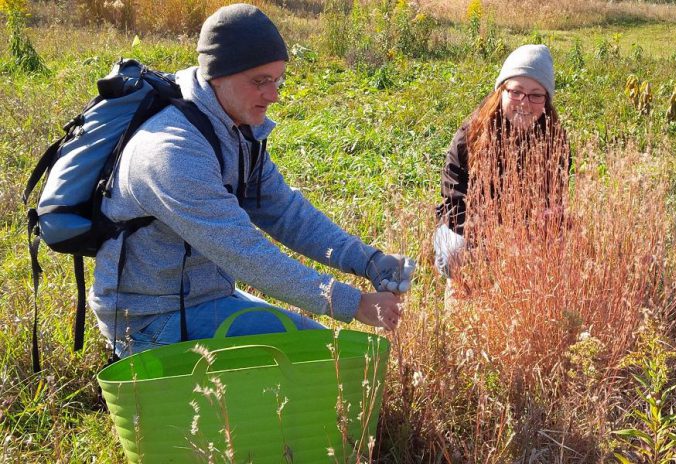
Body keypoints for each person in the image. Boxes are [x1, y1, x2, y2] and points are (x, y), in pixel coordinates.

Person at [89, 4, 415, 358]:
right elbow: (246, 255)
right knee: (316, 352)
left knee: (312, 346)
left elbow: (286, 213)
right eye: (260, 81)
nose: (273, 95)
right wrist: (354, 303)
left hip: (204, 296)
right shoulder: (172, 153)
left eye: (278, 80)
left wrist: (368, 260)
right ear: (217, 75)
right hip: (150, 317)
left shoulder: (236, 129)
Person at [434, 44, 570, 279]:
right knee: (453, 253)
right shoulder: (471, 135)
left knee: (570, 252)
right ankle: (459, 291)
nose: (524, 102)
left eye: (536, 95)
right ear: (501, 91)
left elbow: (553, 200)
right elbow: (454, 201)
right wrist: (493, 241)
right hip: (470, 230)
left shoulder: (554, 140)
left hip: (526, 233)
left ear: (546, 100)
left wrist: (528, 238)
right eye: (516, 91)